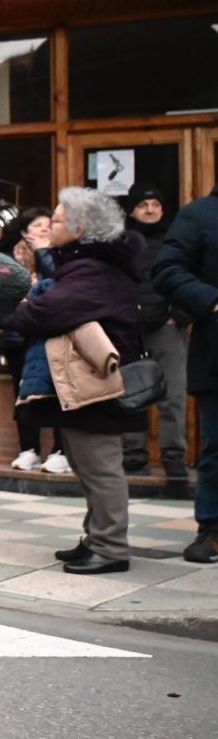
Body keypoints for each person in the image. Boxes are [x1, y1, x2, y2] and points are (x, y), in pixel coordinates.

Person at [2, 187, 143, 574]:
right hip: (89, 381)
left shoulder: (93, 269)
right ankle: (95, 538)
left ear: (81, 228)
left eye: (58, 221)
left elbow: (47, 312)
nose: (51, 227)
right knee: (88, 465)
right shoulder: (87, 262)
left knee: (100, 468)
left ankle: (111, 547)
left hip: (100, 383)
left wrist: (6, 311)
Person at [152, 180, 218, 563]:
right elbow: (166, 269)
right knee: (217, 449)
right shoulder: (198, 215)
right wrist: (210, 301)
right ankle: (212, 528)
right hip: (217, 355)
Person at [120, 184, 188, 485]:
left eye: (156, 205)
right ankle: (134, 457)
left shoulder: (176, 241)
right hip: (129, 328)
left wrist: (180, 316)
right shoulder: (120, 243)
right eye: (143, 205)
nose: (150, 210)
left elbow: (190, 278)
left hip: (166, 327)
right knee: (133, 393)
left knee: (173, 395)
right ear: (132, 210)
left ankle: (174, 458)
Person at [0, 207, 68, 474]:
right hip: (19, 335)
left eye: (49, 224)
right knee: (24, 395)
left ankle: (60, 451)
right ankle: (28, 449)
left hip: (52, 334)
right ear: (24, 231)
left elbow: (63, 287)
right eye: (38, 225)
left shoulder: (59, 255)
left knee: (61, 392)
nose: (45, 229)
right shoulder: (7, 258)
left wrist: (45, 253)